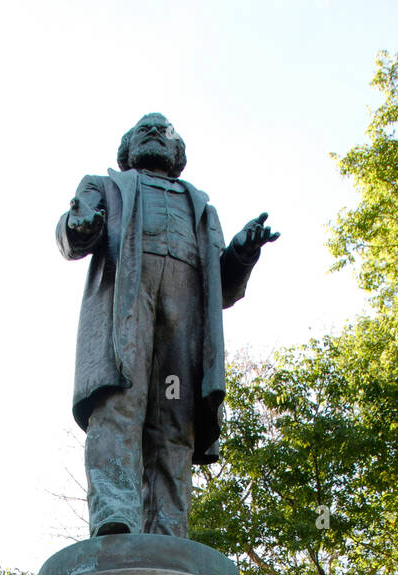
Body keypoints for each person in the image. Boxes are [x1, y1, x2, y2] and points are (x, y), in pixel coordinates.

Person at [57, 113, 278, 537]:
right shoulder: (104, 186)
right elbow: (72, 235)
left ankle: (168, 532)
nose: (156, 133)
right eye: (145, 129)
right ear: (127, 149)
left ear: (179, 154)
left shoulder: (202, 208)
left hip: (182, 318)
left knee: (174, 418)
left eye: (165, 131)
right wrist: (78, 223)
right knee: (120, 404)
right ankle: (115, 516)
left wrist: (242, 254)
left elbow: (221, 290)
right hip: (127, 310)